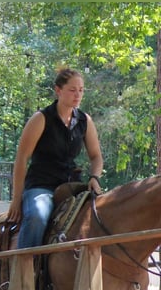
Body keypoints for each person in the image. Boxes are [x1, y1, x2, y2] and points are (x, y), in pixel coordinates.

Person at [7, 67, 104, 248]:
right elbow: (21, 158)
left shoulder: (85, 121)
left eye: (81, 90)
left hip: (72, 186)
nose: (78, 95)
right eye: (72, 90)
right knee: (38, 216)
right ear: (58, 90)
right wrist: (16, 199)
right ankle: (24, 267)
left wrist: (94, 177)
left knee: (103, 213)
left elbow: (96, 156)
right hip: (42, 186)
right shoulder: (41, 119)